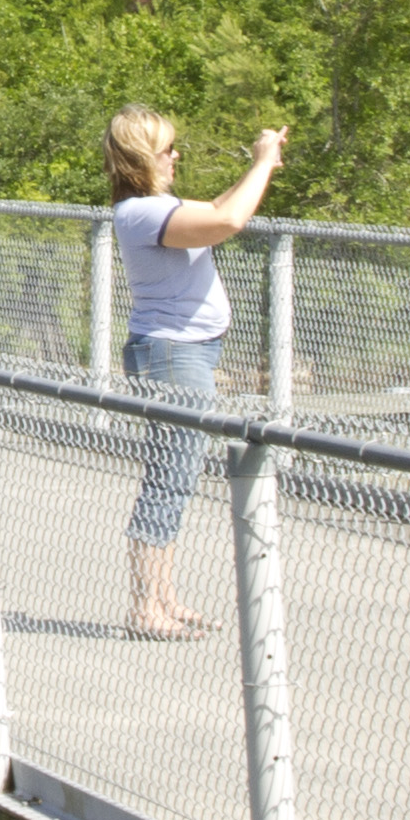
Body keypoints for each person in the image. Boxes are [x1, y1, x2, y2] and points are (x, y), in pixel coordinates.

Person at [108, 106, 286, 640]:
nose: (175, 156)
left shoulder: (159, 206)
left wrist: (264, 166)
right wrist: (259, 162)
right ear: (143, 157)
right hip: (171, 355)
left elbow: (222, 208)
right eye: (166, 149)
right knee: (169, 478)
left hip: (189, 353)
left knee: (178, 478)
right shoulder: (139, 212)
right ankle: (145, 608)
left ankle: (164, 598)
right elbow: (229, 221)